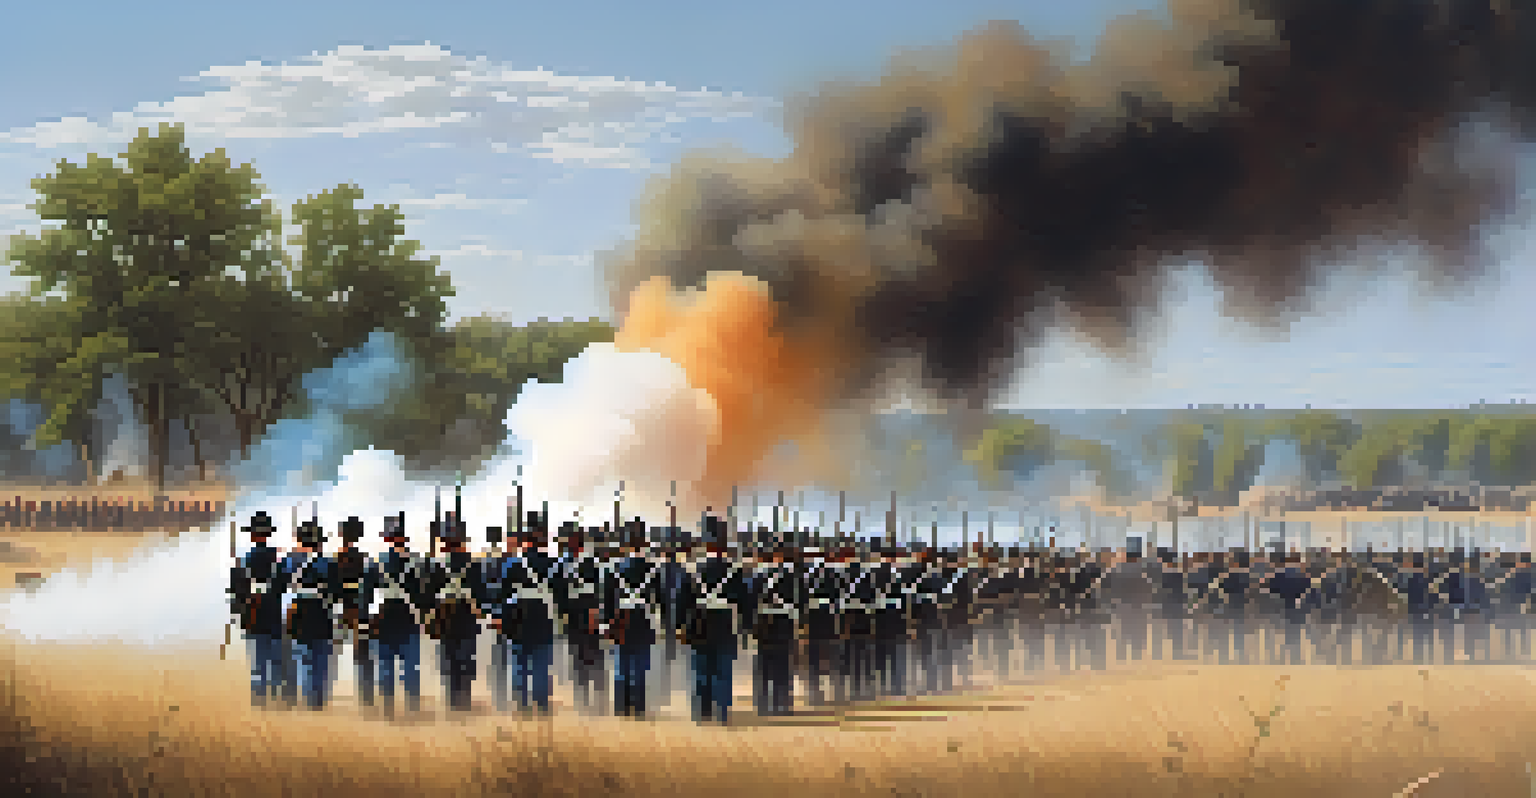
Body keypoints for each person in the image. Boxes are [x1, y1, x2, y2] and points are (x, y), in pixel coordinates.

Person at [680, 540, 750, 723]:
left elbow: (683, 601)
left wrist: (682, 626)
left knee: (701, 671)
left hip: (699, 626)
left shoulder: (693, 570)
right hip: (725, 626)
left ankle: (702, 712)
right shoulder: (735, 571)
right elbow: (745, 603)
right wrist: (746, 628)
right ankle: (722, 712)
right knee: (723, 671)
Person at [367, 514, 428, 717]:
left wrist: (364, 618)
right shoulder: (418, 562)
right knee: (410, 668)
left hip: (383, 619)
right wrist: (425, 613)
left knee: (385, 667)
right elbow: (424, 594)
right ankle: (412, 709)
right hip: (408, 618)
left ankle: (388, 710)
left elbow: (366, 593)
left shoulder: (376, 562)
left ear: (387, 538)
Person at [603, 521, 665, 718]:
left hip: (621, 620)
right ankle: (638, 707)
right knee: (640, 666)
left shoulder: (614, 568)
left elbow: (608, 598)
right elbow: (660, 598)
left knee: (621, 665)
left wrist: (607, 623)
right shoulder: (653, 569)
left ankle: (621, 706)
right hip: (643, 620)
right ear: (644, 543)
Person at [425, 519, 486, 712]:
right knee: (465, 663)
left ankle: (453, 704)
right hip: (467, 618)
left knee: (450, 664)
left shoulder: (438, 564)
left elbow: (429, 592)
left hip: (446, 619)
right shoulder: (475, 564)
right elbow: (482, 593)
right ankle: (464, 703)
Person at [230, 511, 288, 707]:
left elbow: (238, 588)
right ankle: (275, 693)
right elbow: (283, 585)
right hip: (273, 610)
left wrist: (238, 609)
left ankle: (259, 696)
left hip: (253, 611)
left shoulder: (246, 559)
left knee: (257, 657)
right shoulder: (277, 559)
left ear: (253, 535)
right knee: (275, 656)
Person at [502, 524, 561, 714]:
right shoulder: (554, 564)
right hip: (543, 619)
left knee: (520, 665)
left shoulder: (513, 564)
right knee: (541, 665)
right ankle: (542, 705)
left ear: (525, 542)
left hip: (518, 620)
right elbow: (560, 594)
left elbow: (503, 594)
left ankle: (522, 706)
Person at [283, 520, 338, 710]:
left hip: (298, 613)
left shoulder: (289, 561)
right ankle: (318, 701)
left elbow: (280, 588)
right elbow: (336, 592)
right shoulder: (328, 563)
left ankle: (308, 701)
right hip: (322, 613)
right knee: (320, 660)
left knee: (303, 659)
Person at [750, 547, 799, 716]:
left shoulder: (757, 576)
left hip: (764, 626)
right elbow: (801, 601)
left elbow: (750, 602)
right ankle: (782, 705)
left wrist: (751, 626)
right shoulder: (791, 577)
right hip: (783, 625)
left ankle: (763, 704)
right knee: (783, 667)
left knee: (764, 667)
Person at [333, 516, 373, 707]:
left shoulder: (336, 558)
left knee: (331, 652)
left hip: (340, 609)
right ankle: (366, 696)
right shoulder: (364, 558)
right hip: (359, 609)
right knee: (362, 654)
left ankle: (323, 692)